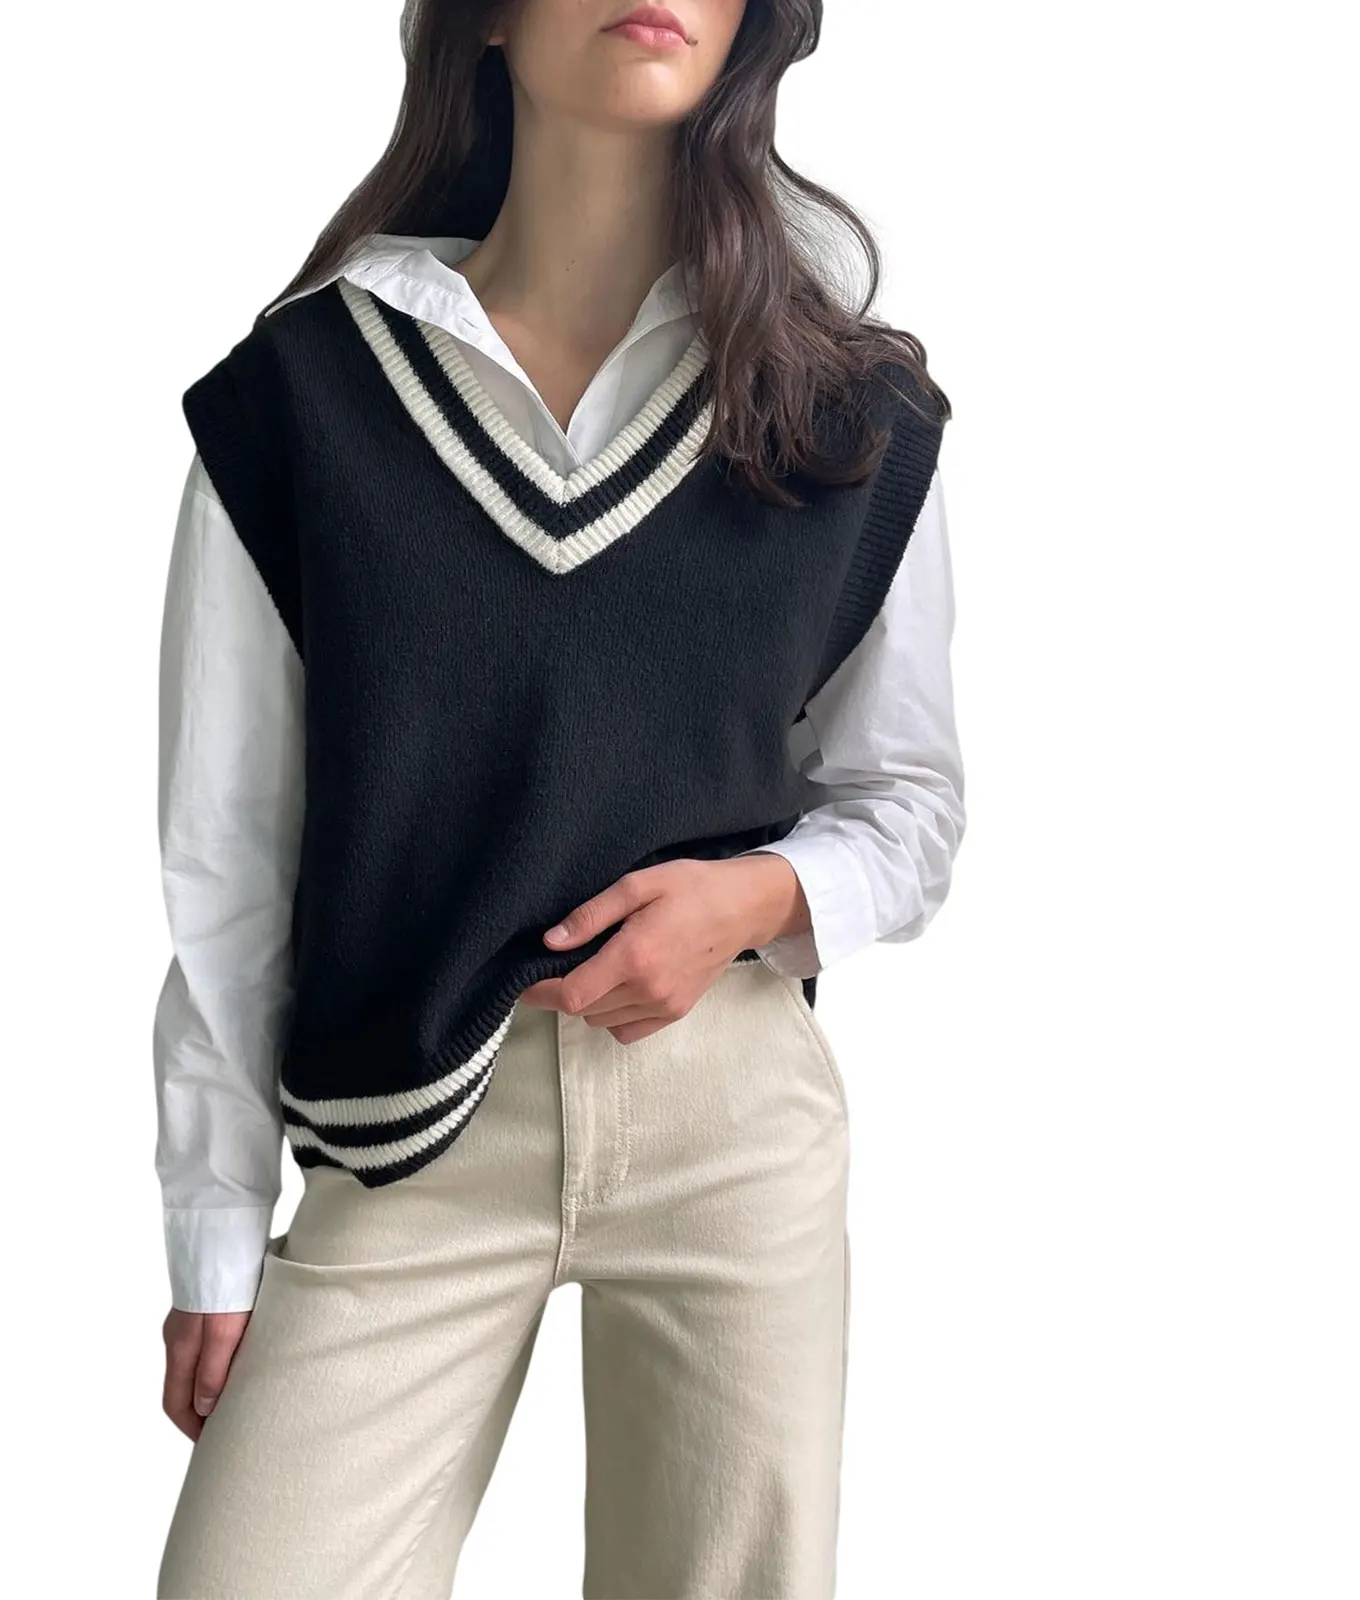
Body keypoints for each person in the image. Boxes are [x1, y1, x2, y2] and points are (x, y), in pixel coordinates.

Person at [152, 1, 962, 1594]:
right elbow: (230, 855)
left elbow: (909, 806)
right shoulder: (304, 398)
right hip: (405, 1129)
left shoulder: (847, 410)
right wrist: (214, 1219)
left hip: (732, 1115)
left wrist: (753, 898)